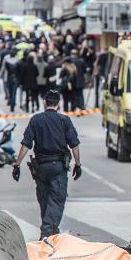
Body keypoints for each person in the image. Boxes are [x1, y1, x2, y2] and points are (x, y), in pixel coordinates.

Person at [12, 90, 82, 240]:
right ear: (59, 104)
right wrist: (78, 164)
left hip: (41, 168)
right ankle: (46, 236)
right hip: (58, 168)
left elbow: (26, 145)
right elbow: (74, 145)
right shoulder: (65, 120)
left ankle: (51, 235)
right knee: (56, 201)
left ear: (44, 103)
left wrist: (17, 165)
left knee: (45, 202)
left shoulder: (36, 120)